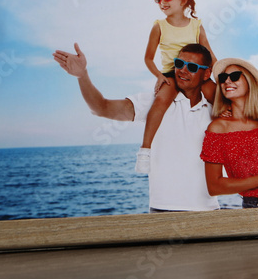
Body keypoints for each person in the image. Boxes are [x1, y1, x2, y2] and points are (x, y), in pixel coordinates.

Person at [51, 42, 220, 212]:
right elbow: (101, 107)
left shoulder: (217, 111)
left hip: (209, 211)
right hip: (163, 211)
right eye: (179, 64)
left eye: (191, 66)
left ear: (206, 73)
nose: (183, 70)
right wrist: (82, 76)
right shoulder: (153, 103)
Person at [137, 0, 216, 174]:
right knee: (161, 101)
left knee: (217, 95)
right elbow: (148, 58)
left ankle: (227, 139)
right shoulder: (159, 26)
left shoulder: (196, 26)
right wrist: (158, 76)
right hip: (171, 74)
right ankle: (145, 150)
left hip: (195, 73)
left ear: (183, 0)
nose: (161, 1)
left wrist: (220, 74)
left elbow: (210, 53)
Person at [200, 58, 258, 209]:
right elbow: (214, 186)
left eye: (234, 77)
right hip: (256, 207)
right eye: (222, 78)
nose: (227, 81)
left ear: (249, 82)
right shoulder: (218, 128)